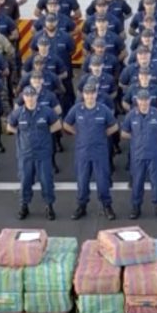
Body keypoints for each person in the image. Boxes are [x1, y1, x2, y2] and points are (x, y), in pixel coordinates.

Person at [65, 82, 120, 220]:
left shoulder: (103, 109)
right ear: (83, 95)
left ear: (96, 94)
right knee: (82, 181)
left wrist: (103, 134)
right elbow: (66, 124)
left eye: (92, 93)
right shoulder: (77, 109)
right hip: (82, 152)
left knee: (102, 181)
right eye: (87, 93)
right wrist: (77, 133)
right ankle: (81, 206)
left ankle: (107, 206)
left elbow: (114, 126)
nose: (90, 96)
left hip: (99, 151)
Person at [7, 86, 61, 219]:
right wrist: (21, 135)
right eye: (27, 96)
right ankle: (24, 206)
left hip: (43, 153)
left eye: (32, 96)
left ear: (36, 97)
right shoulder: (18, 113)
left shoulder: (46, 111)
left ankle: (49, 206)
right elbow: (10, 126)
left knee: (46, 181)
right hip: (25, 154)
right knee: (25, 181)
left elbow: (57, 125)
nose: (30, 98)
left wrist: (44, 135)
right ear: (23, 97)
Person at [121, 90, 157, 219]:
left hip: (154, 154)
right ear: (137, 101)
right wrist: (136, 138)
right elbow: (124, 132)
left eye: (146, 100)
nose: (143, 102)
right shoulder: (131, 115)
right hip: (138, 155)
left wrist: (156, 136)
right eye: (141, 100)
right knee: (137, 183)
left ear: (149, 100)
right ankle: (136, 208)